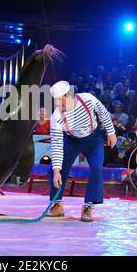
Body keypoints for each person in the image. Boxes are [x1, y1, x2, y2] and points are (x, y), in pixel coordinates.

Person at [47, 81, 116, 222]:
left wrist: (111, 132)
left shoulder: (87, 99)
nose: (59, 104)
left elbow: (103, 113)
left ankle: (88, 206)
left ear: (70, 95)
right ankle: (57, 204)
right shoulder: (56, 117)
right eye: (57, 101)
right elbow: (57, 145)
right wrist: (56, 170)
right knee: (56, 169)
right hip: (73, 141)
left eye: (62, 99)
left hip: (94, 139)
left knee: (96, 168)